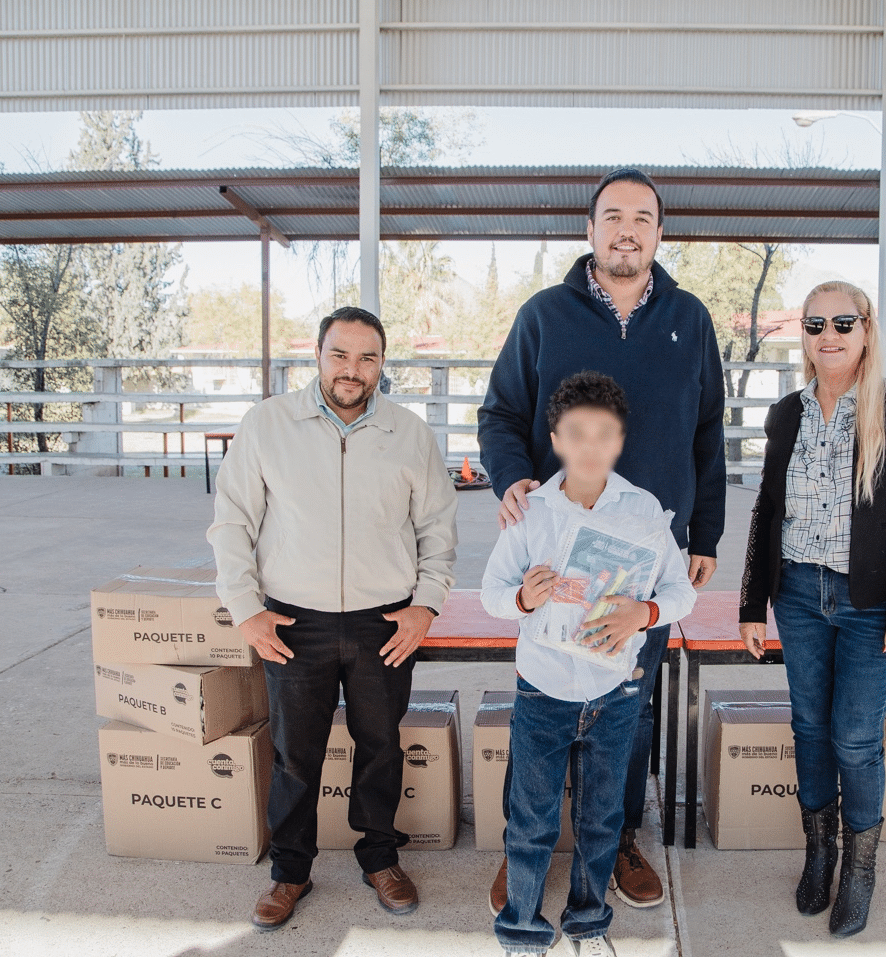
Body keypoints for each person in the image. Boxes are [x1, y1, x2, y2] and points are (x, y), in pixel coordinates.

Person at [477, 168, 726, 912]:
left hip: (643, 556)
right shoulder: (544, 315)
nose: (627, 230)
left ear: (660, 234)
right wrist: (511, 479)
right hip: (557, 549)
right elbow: (499, 414)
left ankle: (617, 837)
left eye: (642, 218)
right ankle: (525, 842)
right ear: (589, 231)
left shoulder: (689, 318)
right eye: (612, 216)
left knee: (629, 701)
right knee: (543, 697)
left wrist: (705, 533)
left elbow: (709, 431)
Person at [208, 306, 458, 930]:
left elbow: (437, 528)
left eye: (367, 357)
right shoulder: (268, 424)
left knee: (380, 747)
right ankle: (290, 871)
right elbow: (232, 523)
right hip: (294, 622)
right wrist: (246, 611)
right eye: (340, 355)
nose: (353, 369)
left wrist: (426, 604)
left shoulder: (409, 433)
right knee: (295, 755)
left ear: (382, 364)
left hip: (384, 621)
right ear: (317, 356)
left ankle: (380, 858)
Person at [738, 282, 886, 938]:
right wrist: (751, 603)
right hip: (798, 594)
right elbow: (767, 510)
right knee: (808, 727)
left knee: (854, 735)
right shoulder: (785, 414)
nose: (828, 335)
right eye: (815, 323)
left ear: (866, 329)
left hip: (869, 603)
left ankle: (860, 868)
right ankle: (819, 852)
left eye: (843, 323)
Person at [482, 371, 697, 957]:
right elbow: (492, 593)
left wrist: (644, 613)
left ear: (620, 440)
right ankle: (522, 932)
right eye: (576, 433)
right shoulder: (530, 511)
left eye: (604, 433)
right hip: (542, 690)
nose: (591, 446)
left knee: (601, 820)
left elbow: (681, 592)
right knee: (532, 821)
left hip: (613, 691)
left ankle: (588, 925)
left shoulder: (643, 510)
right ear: (555, 439)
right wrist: (523, 597)